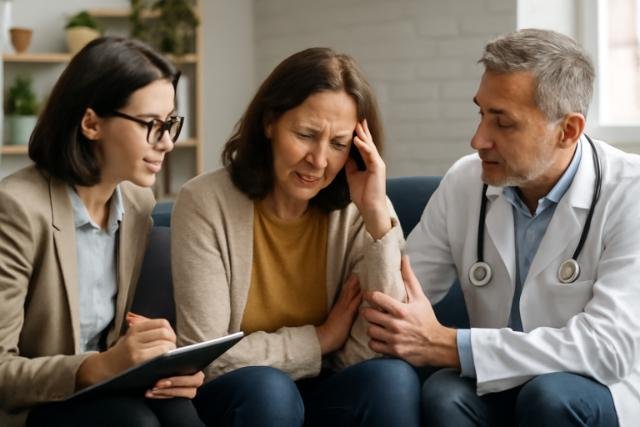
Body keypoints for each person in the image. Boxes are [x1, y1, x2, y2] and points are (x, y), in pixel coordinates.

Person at [361, 29, 640, 426]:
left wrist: (453, 346)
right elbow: (397, 298)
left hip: (603, 389)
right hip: (499, 382)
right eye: (481, 114)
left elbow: (608, 350)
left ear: (569, 131)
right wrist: (374, 209)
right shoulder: (464, 182)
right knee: (445, 394)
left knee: (551, 396)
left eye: (503, 123)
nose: (478, 140)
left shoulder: (630, 192)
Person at [171, 47, 421, 426]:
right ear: (270, 122)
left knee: (392, 380)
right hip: (241, 393)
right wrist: (319, 340)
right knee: (269, 389)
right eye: (306, 135)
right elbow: (206, 354)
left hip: (324, 389)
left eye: (338, 144)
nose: (319, 161)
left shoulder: (363, 210)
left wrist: (375, 216)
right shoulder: (204, 202)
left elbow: (381, 346)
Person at [0, 37, 205, 427]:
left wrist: (163, 364)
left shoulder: (138, 201)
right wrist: (101, 366)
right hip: (36, 404)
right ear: (92, 123)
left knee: (181, 414)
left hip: (109, 387)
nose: (166, 143)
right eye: (151, 125)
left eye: (170, 124)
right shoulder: (16, 209)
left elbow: (119, 339)